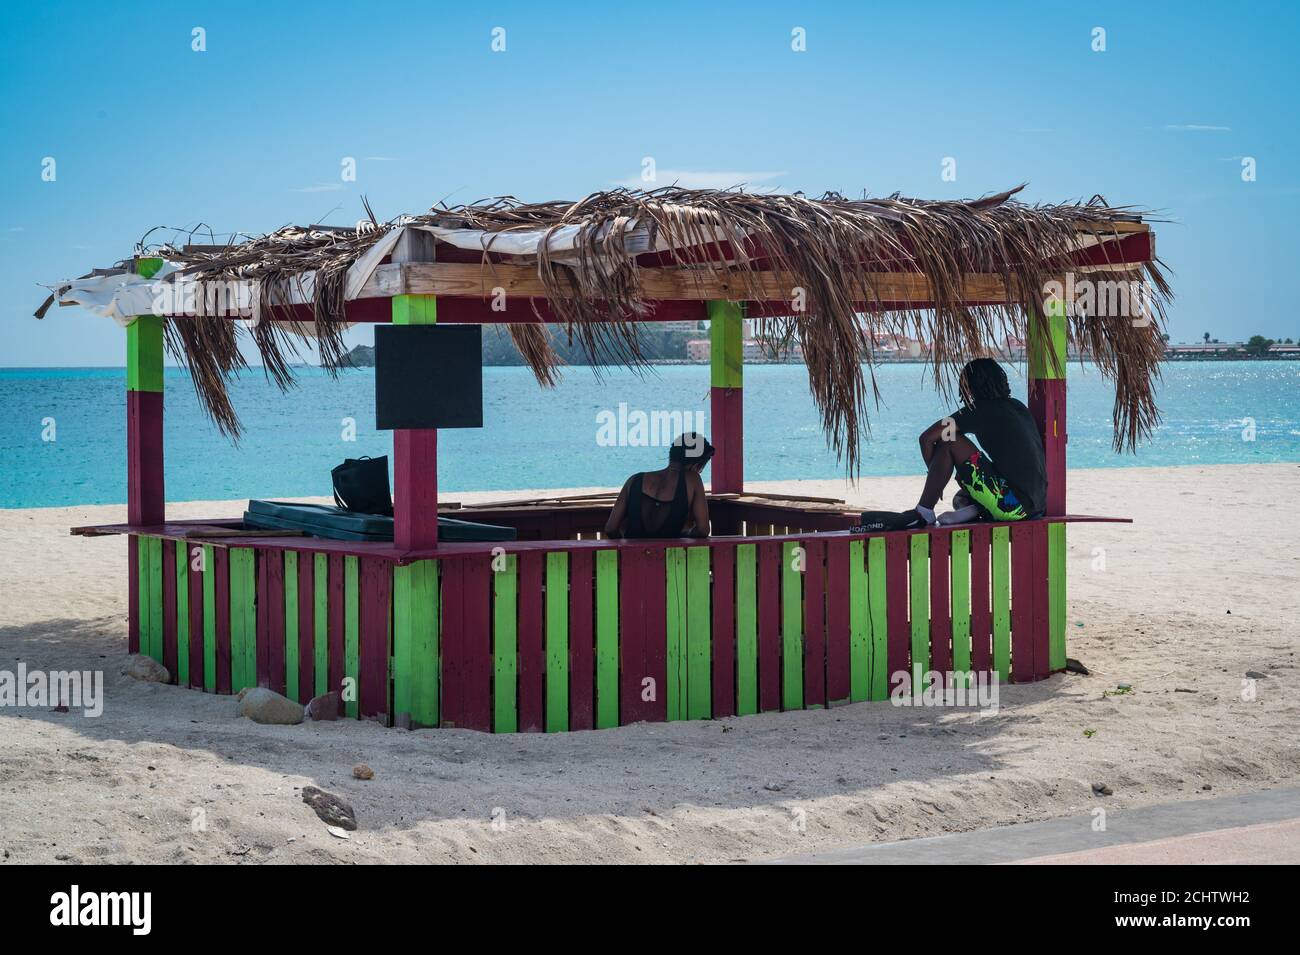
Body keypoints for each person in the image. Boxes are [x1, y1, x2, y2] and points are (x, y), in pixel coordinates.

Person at [905, 358, 1047, 528]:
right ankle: (975, 510)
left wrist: (935, 480)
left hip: (1013, 507)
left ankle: (924, 511)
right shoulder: (1018, 406)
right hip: (1036, 506)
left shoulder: (979, 409)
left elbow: (927, 438)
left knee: (950, 441)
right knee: (961, 497)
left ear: (970, 387)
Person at [604, 433, 714, 539]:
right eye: (701, 469)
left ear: (672, 455)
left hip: (630, 555)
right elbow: (703, 530)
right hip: (670, 556)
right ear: (696, 466)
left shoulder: (634, 480)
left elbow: (610, 528)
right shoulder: (693, 479)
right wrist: (685, 535)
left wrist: (625, 543)